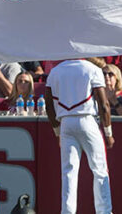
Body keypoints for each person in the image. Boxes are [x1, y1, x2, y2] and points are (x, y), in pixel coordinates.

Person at [45, 59, 114, 214]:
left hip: (65, 123)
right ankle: (104, 211)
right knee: (99, 170)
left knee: (68, 172)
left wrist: (57, 133)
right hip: (87, 120)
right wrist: (108, 132)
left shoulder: (55, 71)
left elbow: (49, 106)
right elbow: (104, 105)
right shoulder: (92, 69)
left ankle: (67, 211)